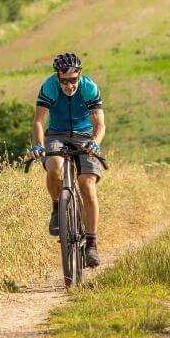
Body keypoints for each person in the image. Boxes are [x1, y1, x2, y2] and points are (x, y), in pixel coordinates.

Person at [27, 52, 106, 268]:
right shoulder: (49, 87)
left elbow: (100, 124)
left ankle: (91, 244)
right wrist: (38, 144)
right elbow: (39, 121)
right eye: (64, 81)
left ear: (80, 75)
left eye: (73, 81)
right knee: (54, 167)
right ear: (57, 77)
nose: (69, 86)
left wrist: (95, 143)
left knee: (87, 185)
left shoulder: (89, 87)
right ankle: (57, 208)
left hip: (84, 136)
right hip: (56, 134)